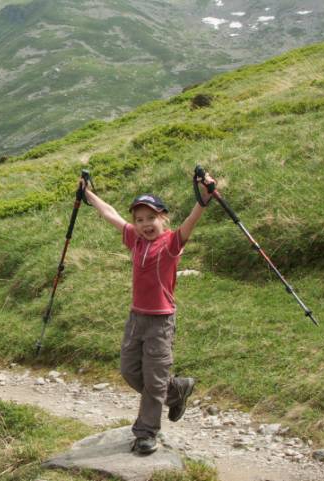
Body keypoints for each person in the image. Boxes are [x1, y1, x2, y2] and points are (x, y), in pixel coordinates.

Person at [80, 168, 216, 456]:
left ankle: (146, 433)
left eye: (151, 218)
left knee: (153, 381)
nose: (145, 224)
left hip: (160, 321)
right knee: (129, 371)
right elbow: (110, 214)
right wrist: (88, 194)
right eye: (139, 219)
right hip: (136, 318)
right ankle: (176, 390)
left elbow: (192, 220)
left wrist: (204, 195)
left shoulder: (171, 244)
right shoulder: (134, 239)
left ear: (163, 218)